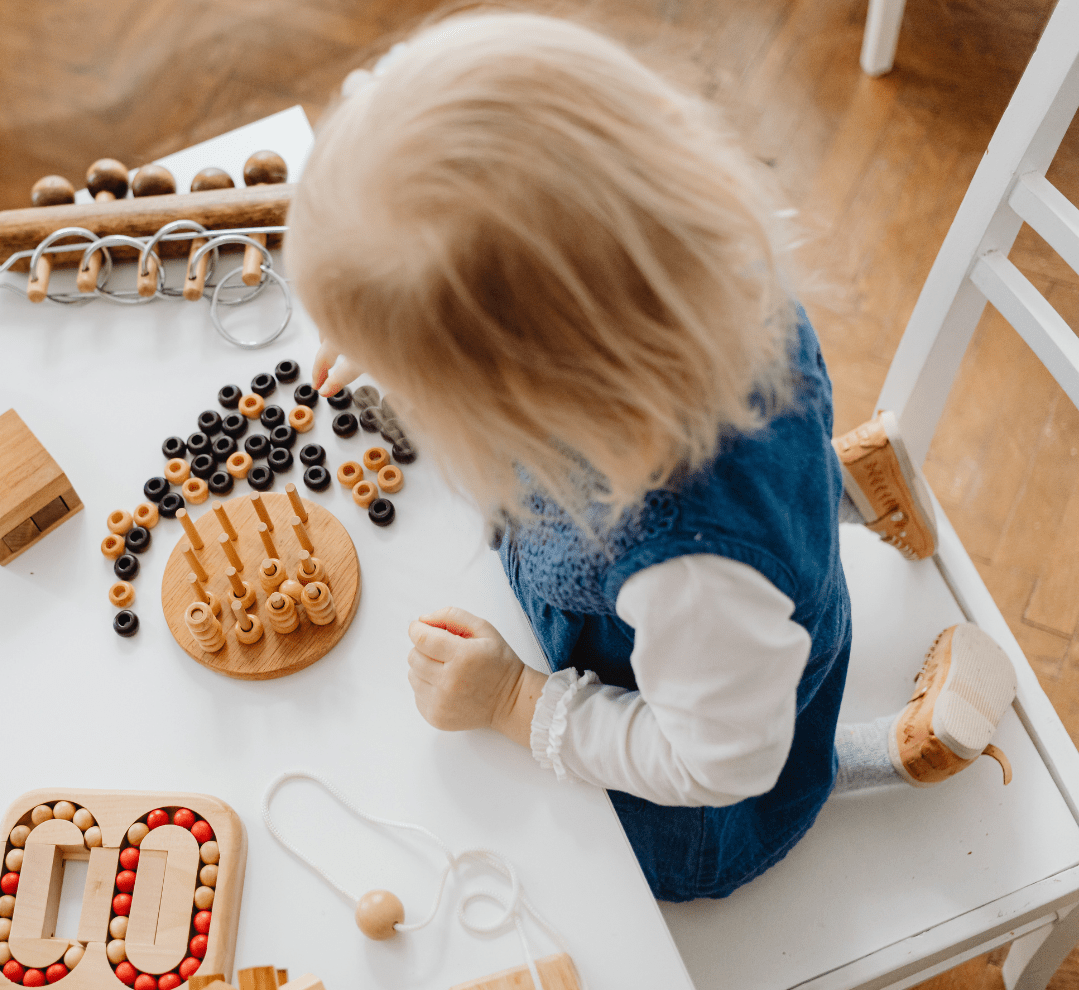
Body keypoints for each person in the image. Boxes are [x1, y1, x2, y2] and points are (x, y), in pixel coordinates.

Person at [286, 11, 1018, 901]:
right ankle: (835, 491)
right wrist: (411, 328)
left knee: (760, 769)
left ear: (528, 393)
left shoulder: (687, 571)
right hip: (732, 594)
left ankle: (872, 758)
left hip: (710, 789)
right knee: (759, 532)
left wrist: (515, 703)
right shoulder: (694, 282)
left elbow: (722, 764)